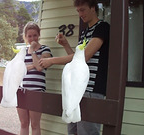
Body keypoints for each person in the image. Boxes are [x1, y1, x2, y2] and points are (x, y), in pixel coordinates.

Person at [39, 0, 110, 134]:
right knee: (72, 132)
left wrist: (52, 60)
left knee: (87, 132)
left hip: (92, 90)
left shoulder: (102, 27)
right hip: (77, 89)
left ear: (93, 8)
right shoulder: (84, 33)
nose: (80, 14)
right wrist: (65, 44)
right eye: (78, 11)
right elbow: (76, 60)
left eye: (82, 10)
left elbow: (85, 56)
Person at [17, 21, 52, 135]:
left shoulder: (45, 50)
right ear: (25, 37)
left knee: (35, 125)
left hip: (37, 90)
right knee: (23, 123)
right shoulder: (22, 51)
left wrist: (32, 52)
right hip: (21, 90)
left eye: (35, 35)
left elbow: (39, 67)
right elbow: (18, 70)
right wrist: (33, 66)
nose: (32, 38)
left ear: (39, 35)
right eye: (29, 36)